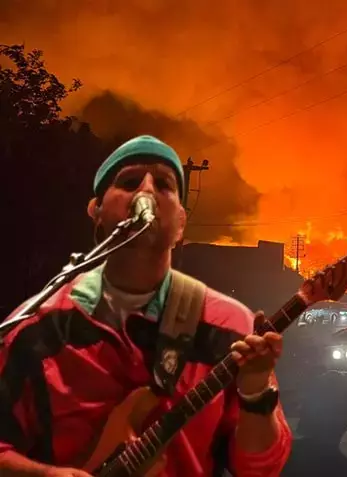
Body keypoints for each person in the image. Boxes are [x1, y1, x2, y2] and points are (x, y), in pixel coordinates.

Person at [0, 135, 292, 476]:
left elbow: (260, 470)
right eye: (129, 181)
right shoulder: (37, 328)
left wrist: (256, 391)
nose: (146, 191)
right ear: (96, 212)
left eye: (164, 185)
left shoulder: (229, 325)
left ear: (181, 223)